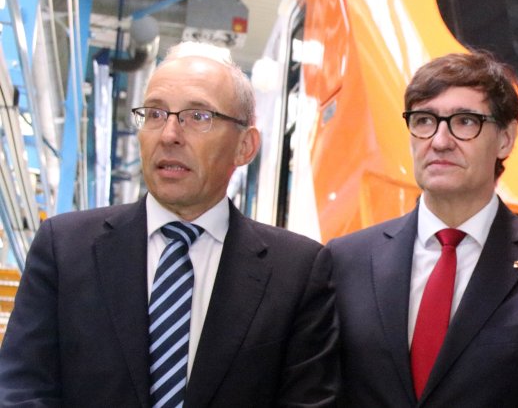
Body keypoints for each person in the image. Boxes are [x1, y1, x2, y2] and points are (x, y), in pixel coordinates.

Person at [0, 41, 338, 407]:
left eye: (198, 117)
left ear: (245, 145)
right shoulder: (64, 248)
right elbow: (21, 389)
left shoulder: (298, 272)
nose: (169, 135)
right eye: (155, 114)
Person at [325, 51, 518, 407]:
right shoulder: (346, 260)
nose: (439, 140)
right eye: (424, 120)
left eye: (465, 122)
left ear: (505, 139)